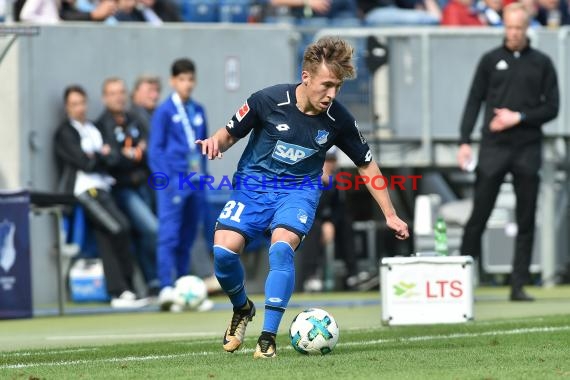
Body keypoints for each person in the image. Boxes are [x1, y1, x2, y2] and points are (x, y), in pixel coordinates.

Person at [195, 36, 409, 358]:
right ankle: (242, 308)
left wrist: (390, 214)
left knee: (281, 250)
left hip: (299, 191)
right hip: (253, 187)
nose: (332, 94)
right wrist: (214, 143)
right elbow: (227, 137)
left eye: (337, 86)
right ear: (306, 77)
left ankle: (267, 338)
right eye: (326, 85)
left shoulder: (339, 119)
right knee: (224, 254)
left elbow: (367, 165)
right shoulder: (265, 101)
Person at [457, 2, 559, 302]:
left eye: (518, 28)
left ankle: (517, 285)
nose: (513, 33)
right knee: (479, 215)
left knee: (526, 218)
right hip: (494, 148)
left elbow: (552, 107)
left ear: (527, 28)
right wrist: (464, 140)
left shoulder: (542, 62)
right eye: (509, 27)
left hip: (527, 148)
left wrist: (519, 117)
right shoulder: (490, 60)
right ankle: (461, 283)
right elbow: (474, 101)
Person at [54, 85, 149, 308]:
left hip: (103, 188)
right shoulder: (65, 132)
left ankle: (123, 292)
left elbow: (114, 158)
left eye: (82, 103)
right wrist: (102, 155)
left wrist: (102, 156)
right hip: (85, 191)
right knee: (119, 228)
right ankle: (121, 290)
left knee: (107, 236)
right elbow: (84, 162)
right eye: (74, 104)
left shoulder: (92, 128)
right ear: (67, 107)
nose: (80, 108)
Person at [148, 58, 211, 311]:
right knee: (169, 234)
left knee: (188, 235)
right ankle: (165, 285)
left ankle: (183, 289)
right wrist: (166, 181)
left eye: (190, 79)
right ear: (173, 81)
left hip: (195, 181)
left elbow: (205, 146)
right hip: (172, 182)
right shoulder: (164, 112)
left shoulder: (199, 110)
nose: (187, 84)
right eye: (182, 79)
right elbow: (155, 150)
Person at [96, 77, 160, 297]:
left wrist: (134, 154)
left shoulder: (134, 118)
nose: (118, 97)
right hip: (122, 189)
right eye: (113, 93)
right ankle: (154, 279)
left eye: (121, 91)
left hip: (144, 183)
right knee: (152, 229)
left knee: (143, 234)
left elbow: (149, 148)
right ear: (105, 98)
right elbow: (112, 160)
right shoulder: (101, 125)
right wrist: (131, 154)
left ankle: (153, 282)